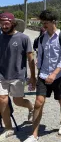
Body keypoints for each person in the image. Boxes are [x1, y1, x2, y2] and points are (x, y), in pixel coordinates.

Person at [24, 10, 61, 142]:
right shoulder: (42, 38)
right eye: (42, 22)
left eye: (46, 22)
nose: (43, 25)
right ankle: (34, 135)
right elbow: (39, 56)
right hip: (43, 75)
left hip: (59, 75)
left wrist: (54, 74)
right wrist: (35, 76)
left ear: (53, 22)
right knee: (38, 102)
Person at [0, 12, 36, 141]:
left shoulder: (23, 38)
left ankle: (31, 108)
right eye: (1, 23)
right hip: (1, 76)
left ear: (12, 23)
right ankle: (8, 128)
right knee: (2, 100)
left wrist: (33, 77)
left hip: (17, 75)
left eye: (6, 23)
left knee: (17, 101)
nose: (3, 26)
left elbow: (30, 58)